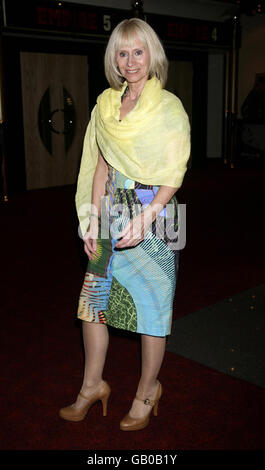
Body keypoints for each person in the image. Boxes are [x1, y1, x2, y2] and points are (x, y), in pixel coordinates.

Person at [59, 18, 190, 431]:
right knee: (92, 306)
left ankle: (148, 391)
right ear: (113, 58)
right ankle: (92, 385)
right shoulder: (104, 105)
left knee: (153, 312)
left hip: (156, 217)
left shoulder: (168, 108)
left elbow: (174, 172)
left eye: (138, 51)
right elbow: (100, 165)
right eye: (122, 52)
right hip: (111, 213)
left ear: (152, 55)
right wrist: (93, 221)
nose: (130, 61)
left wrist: (145, 217)